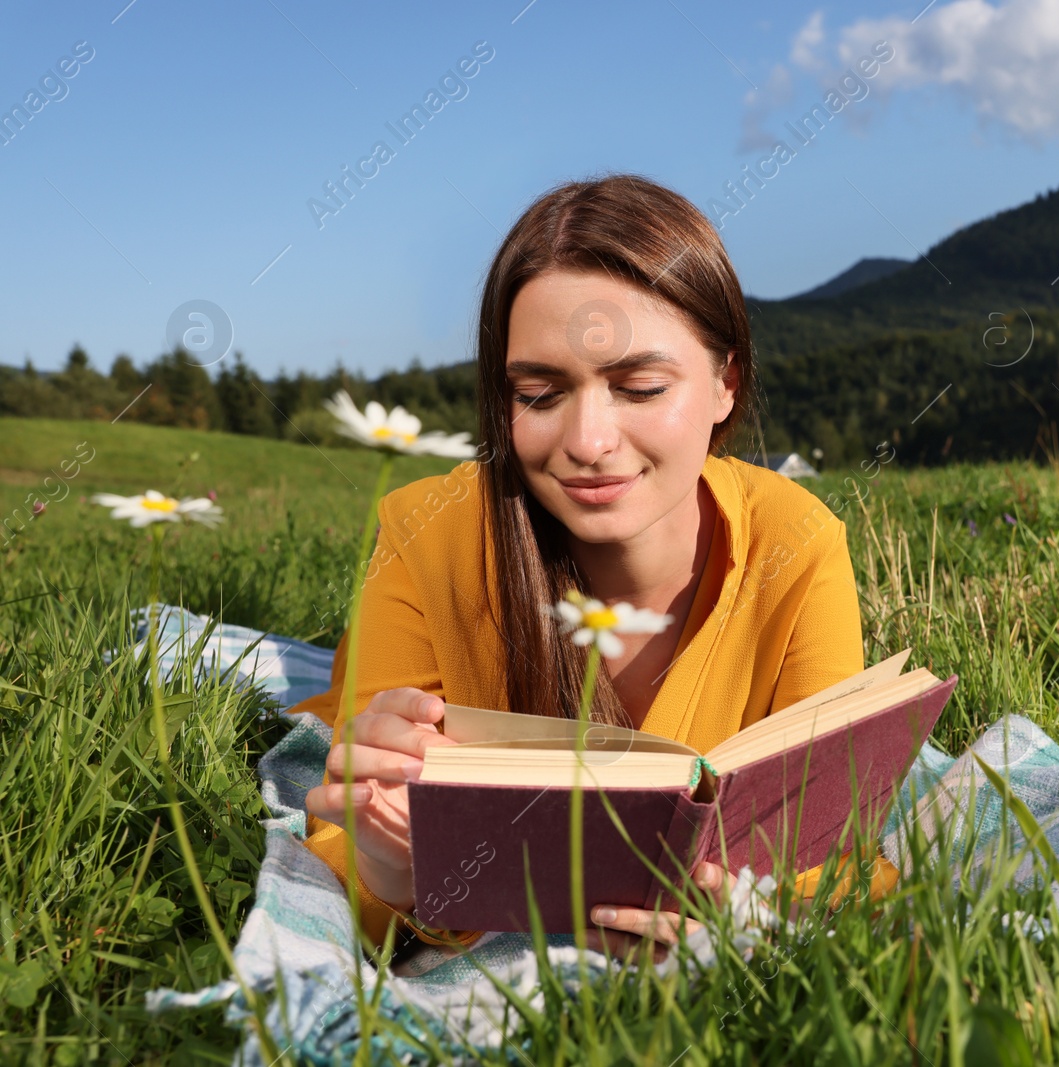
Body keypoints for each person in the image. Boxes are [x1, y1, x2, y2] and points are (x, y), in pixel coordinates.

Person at [293, 174, 890, 963]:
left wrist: (745, 911)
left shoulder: (798, 543)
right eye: (539, 393)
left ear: (726, 383)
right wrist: (395, 876)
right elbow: (345, 849)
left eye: (639, 386)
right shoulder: (424, 534)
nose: (588, 439)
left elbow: (835, 848)